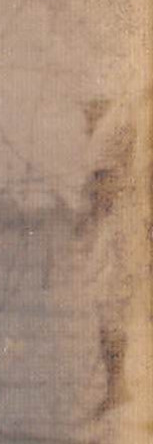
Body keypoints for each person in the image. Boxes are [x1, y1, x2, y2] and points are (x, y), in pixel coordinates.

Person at [77, 88, 149, 419]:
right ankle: (117, 388)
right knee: (111, 305)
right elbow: (102, 174)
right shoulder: (126, 111)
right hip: (129, 223)